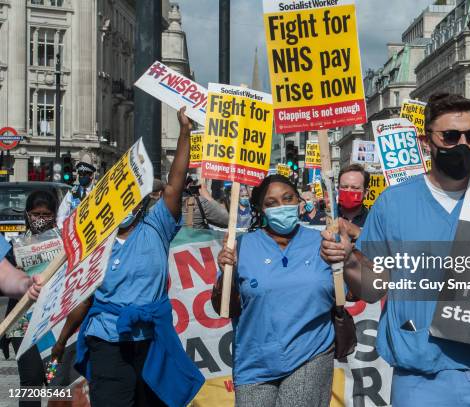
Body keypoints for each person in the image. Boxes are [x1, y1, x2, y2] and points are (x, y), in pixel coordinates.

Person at [321, 93, 470, 406]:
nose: (463, 144)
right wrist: (348, 259)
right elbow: (373, 290)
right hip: (419, 380)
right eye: (451, 136)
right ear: (427, 143)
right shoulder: (394, 202)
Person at [51, 107, 204, 407]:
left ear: (143, 200)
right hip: (106, 340)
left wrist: (185, 132)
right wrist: (61, 340)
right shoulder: (95, 239)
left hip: (151, 340)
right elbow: (85, 298)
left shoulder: (157, 226)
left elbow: (175, 183)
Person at [212, 174, 336, 407]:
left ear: (299, 201)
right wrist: (225, 276)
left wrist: (348, 256)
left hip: (309, 354)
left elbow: (351, 293)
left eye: (288, 198)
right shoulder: (241, 246)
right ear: (260, 209)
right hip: (254, 362)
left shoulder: (323, 241)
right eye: (271, 203)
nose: (282, 207)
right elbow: (224, 308)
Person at [4, 190, 59, 407]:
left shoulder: (63, 243)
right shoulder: (15, 248)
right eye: (36, 215)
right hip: (22, 327)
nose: (40, 220)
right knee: (30, 380)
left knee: (55, 379)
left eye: (46, 215)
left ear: (54, 215)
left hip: (54, 326)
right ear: (27, 215)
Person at [56, 158, 96, 227]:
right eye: (80, 174)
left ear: (91, 176)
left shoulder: (96, 190)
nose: (81, 176)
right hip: (74, 230)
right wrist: (62, 229)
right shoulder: (72, 192)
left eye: (84, 174)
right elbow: (61, 214)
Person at [337, 164, 370, 242]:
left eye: (355, 188)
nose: (349, 191)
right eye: (344, 187)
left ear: (365, 192)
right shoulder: (322, 218)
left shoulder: (373, 221)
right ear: (338, 189)